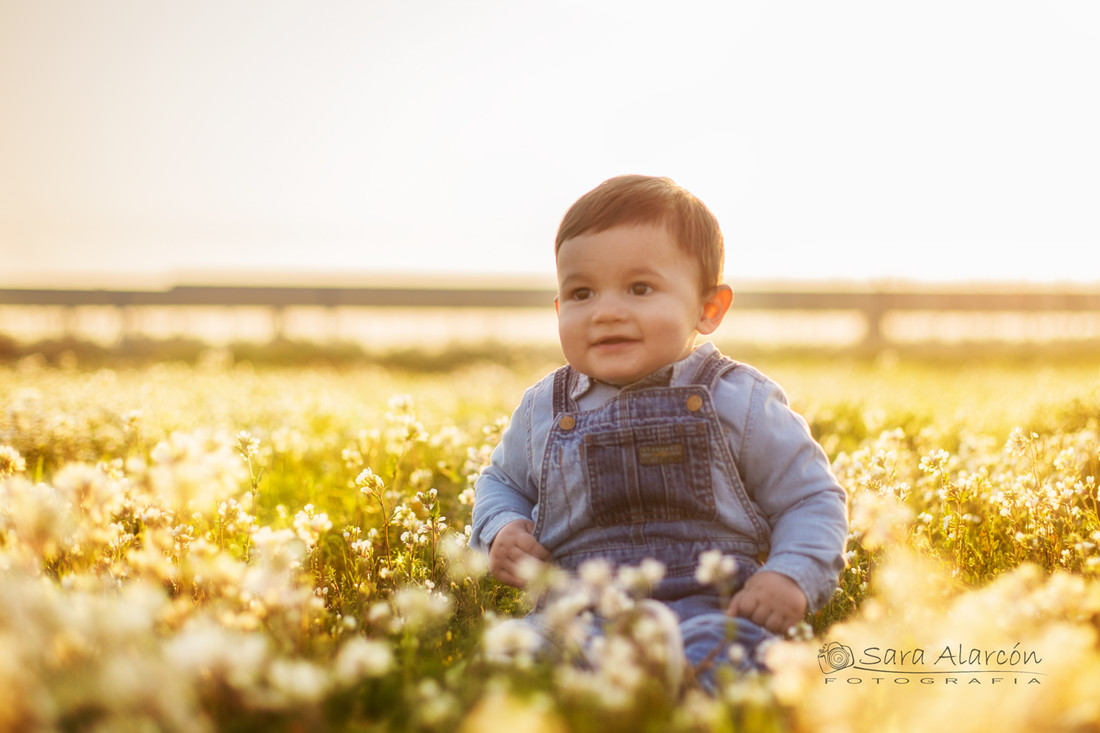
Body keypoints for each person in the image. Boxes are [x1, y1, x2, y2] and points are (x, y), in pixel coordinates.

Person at [469, 174, 848, 687]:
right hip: (575, 616)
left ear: (708, 308)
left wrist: (789, 574)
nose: (606, 312)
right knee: (511, 655)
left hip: (710, 609)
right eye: (581, 293)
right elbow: (501, 482)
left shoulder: (738, 398)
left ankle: (679, 691)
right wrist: (503, 527)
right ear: (558, 308)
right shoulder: (544, 407)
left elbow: (810, 498)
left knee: (739, 659)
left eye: (639, 288)